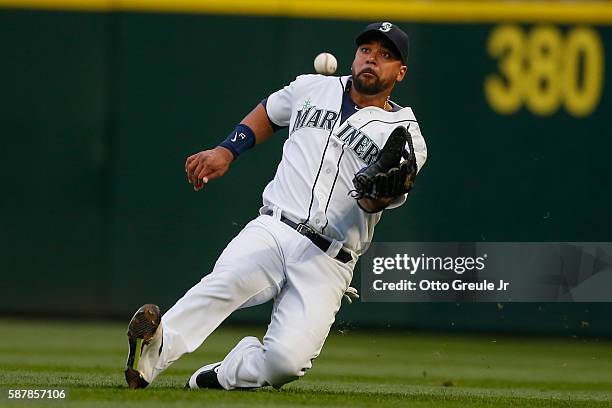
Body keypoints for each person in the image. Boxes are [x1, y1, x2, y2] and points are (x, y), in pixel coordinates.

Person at [124, 21, 427, 391]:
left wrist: (376, 191)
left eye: (385, 55)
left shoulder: (406, 134)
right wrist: (226, 150)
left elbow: (374, 201)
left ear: (401, 71)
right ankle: (153, 350)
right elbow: (270, 112)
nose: (371, 59)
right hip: (276, 226)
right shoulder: (311, 87)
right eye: (366, 50)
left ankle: (223, 373)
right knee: (226, 281)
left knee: (284, 364)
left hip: (329, 257)